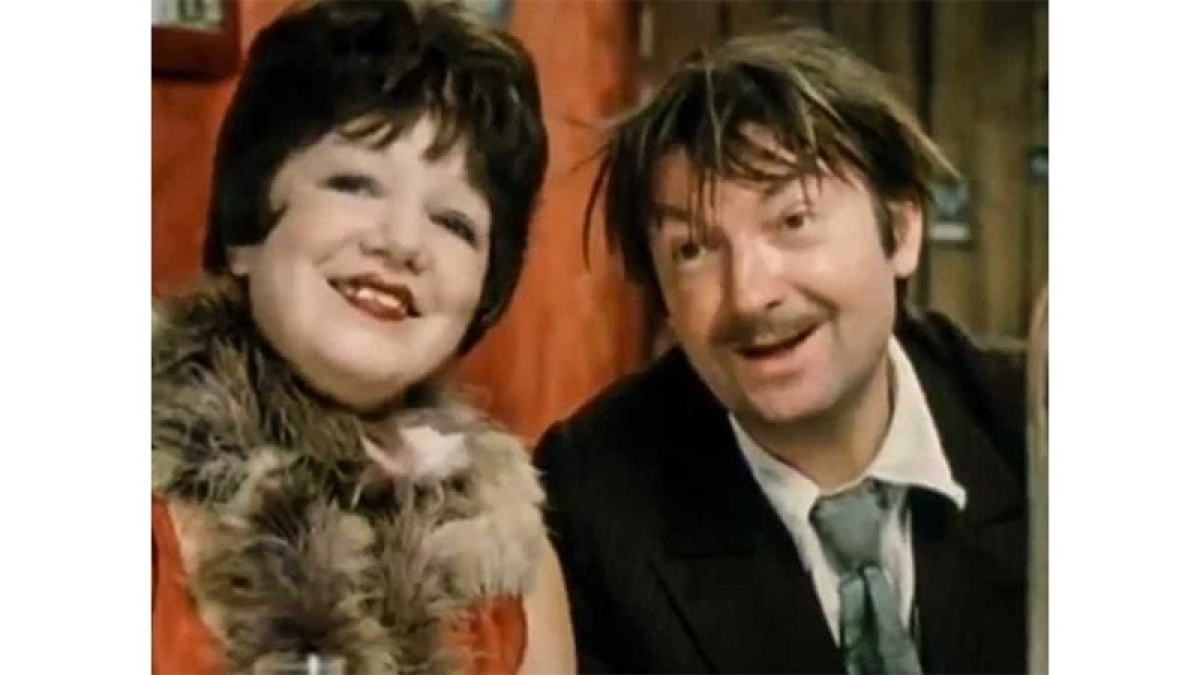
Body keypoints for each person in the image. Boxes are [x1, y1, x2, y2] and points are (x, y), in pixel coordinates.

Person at [534, 26, 1029, 674]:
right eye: (693, 249)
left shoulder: (1032, 424)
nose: (749, 293)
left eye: (793, 220)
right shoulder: (593, 500)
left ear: (903, 226)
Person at [150, 1, 574, 673]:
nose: (402, 242)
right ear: (247, 229)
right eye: (355, 183)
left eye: (454, 222)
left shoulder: (509, 558)